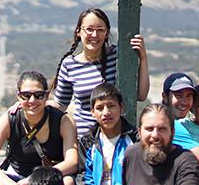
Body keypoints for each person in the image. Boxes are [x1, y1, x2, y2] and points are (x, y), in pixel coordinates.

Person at [0, 70, 79, 185]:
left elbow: (72, 162)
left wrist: (35, 180)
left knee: (68, 183)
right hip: (17, 182)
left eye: (39, 95)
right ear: (18, 97)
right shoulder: (10, 119)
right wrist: (4, 181)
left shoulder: (63, 121)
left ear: (47, 96)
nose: (32, 101)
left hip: (49, 182)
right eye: (26, 96)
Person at [51, 8, 150, 136]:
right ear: (78, 32)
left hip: (118, 137)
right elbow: (60, 104)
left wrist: (143, 57)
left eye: (100, 30)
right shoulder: (70, 65)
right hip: (85, 140)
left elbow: (141, 95)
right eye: (89, 29)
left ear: (107, 33)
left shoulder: (118, 57)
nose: (94, 35)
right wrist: (29, 102)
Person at [76, 83, 138, 185]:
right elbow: (83, 176)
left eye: (111, 106)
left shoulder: (134, 139)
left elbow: (139, 175)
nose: (106, 112)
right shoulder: (88, 141)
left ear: (121, 107)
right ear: (92, 112)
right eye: (100, 108)